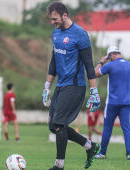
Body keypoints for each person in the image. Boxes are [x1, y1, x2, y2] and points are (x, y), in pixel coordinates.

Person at [42, 2, 101, 170]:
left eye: (55, 19)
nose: (53, 22)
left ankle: (58, 166)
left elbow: (89, 65)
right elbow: (54, 61)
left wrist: (94, 91)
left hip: (75, 85)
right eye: (51, 19)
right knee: (53, 126)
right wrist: (47, 87)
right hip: (61, 85)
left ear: (65, 15)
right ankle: (90, 146)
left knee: (59, 124)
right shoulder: (55, 34)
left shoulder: (80, 34)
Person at [94, 46, 130, 160]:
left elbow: (94, 73)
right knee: (126, 128)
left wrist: (101, 62)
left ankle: (102, 153)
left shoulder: (110, 65)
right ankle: (129, 154)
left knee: (107, 128)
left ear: (111, 55)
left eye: (109, 57)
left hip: (112, 102)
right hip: (126, 102)